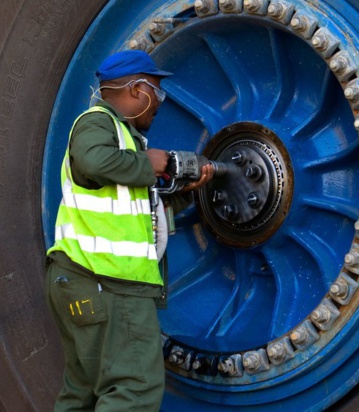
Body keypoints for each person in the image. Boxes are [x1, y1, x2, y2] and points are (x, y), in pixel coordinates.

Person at [45, 50, 213, 411]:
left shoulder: (124, 144)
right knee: (135, 388)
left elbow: (144, 214)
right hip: (107, 283)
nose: (159, 103)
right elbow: (92, 159)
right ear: (138, 89)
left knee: (83, 394)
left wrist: (188, 191)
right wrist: (154, 162)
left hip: (83, 280)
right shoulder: (97, 123)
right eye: (157, 91)